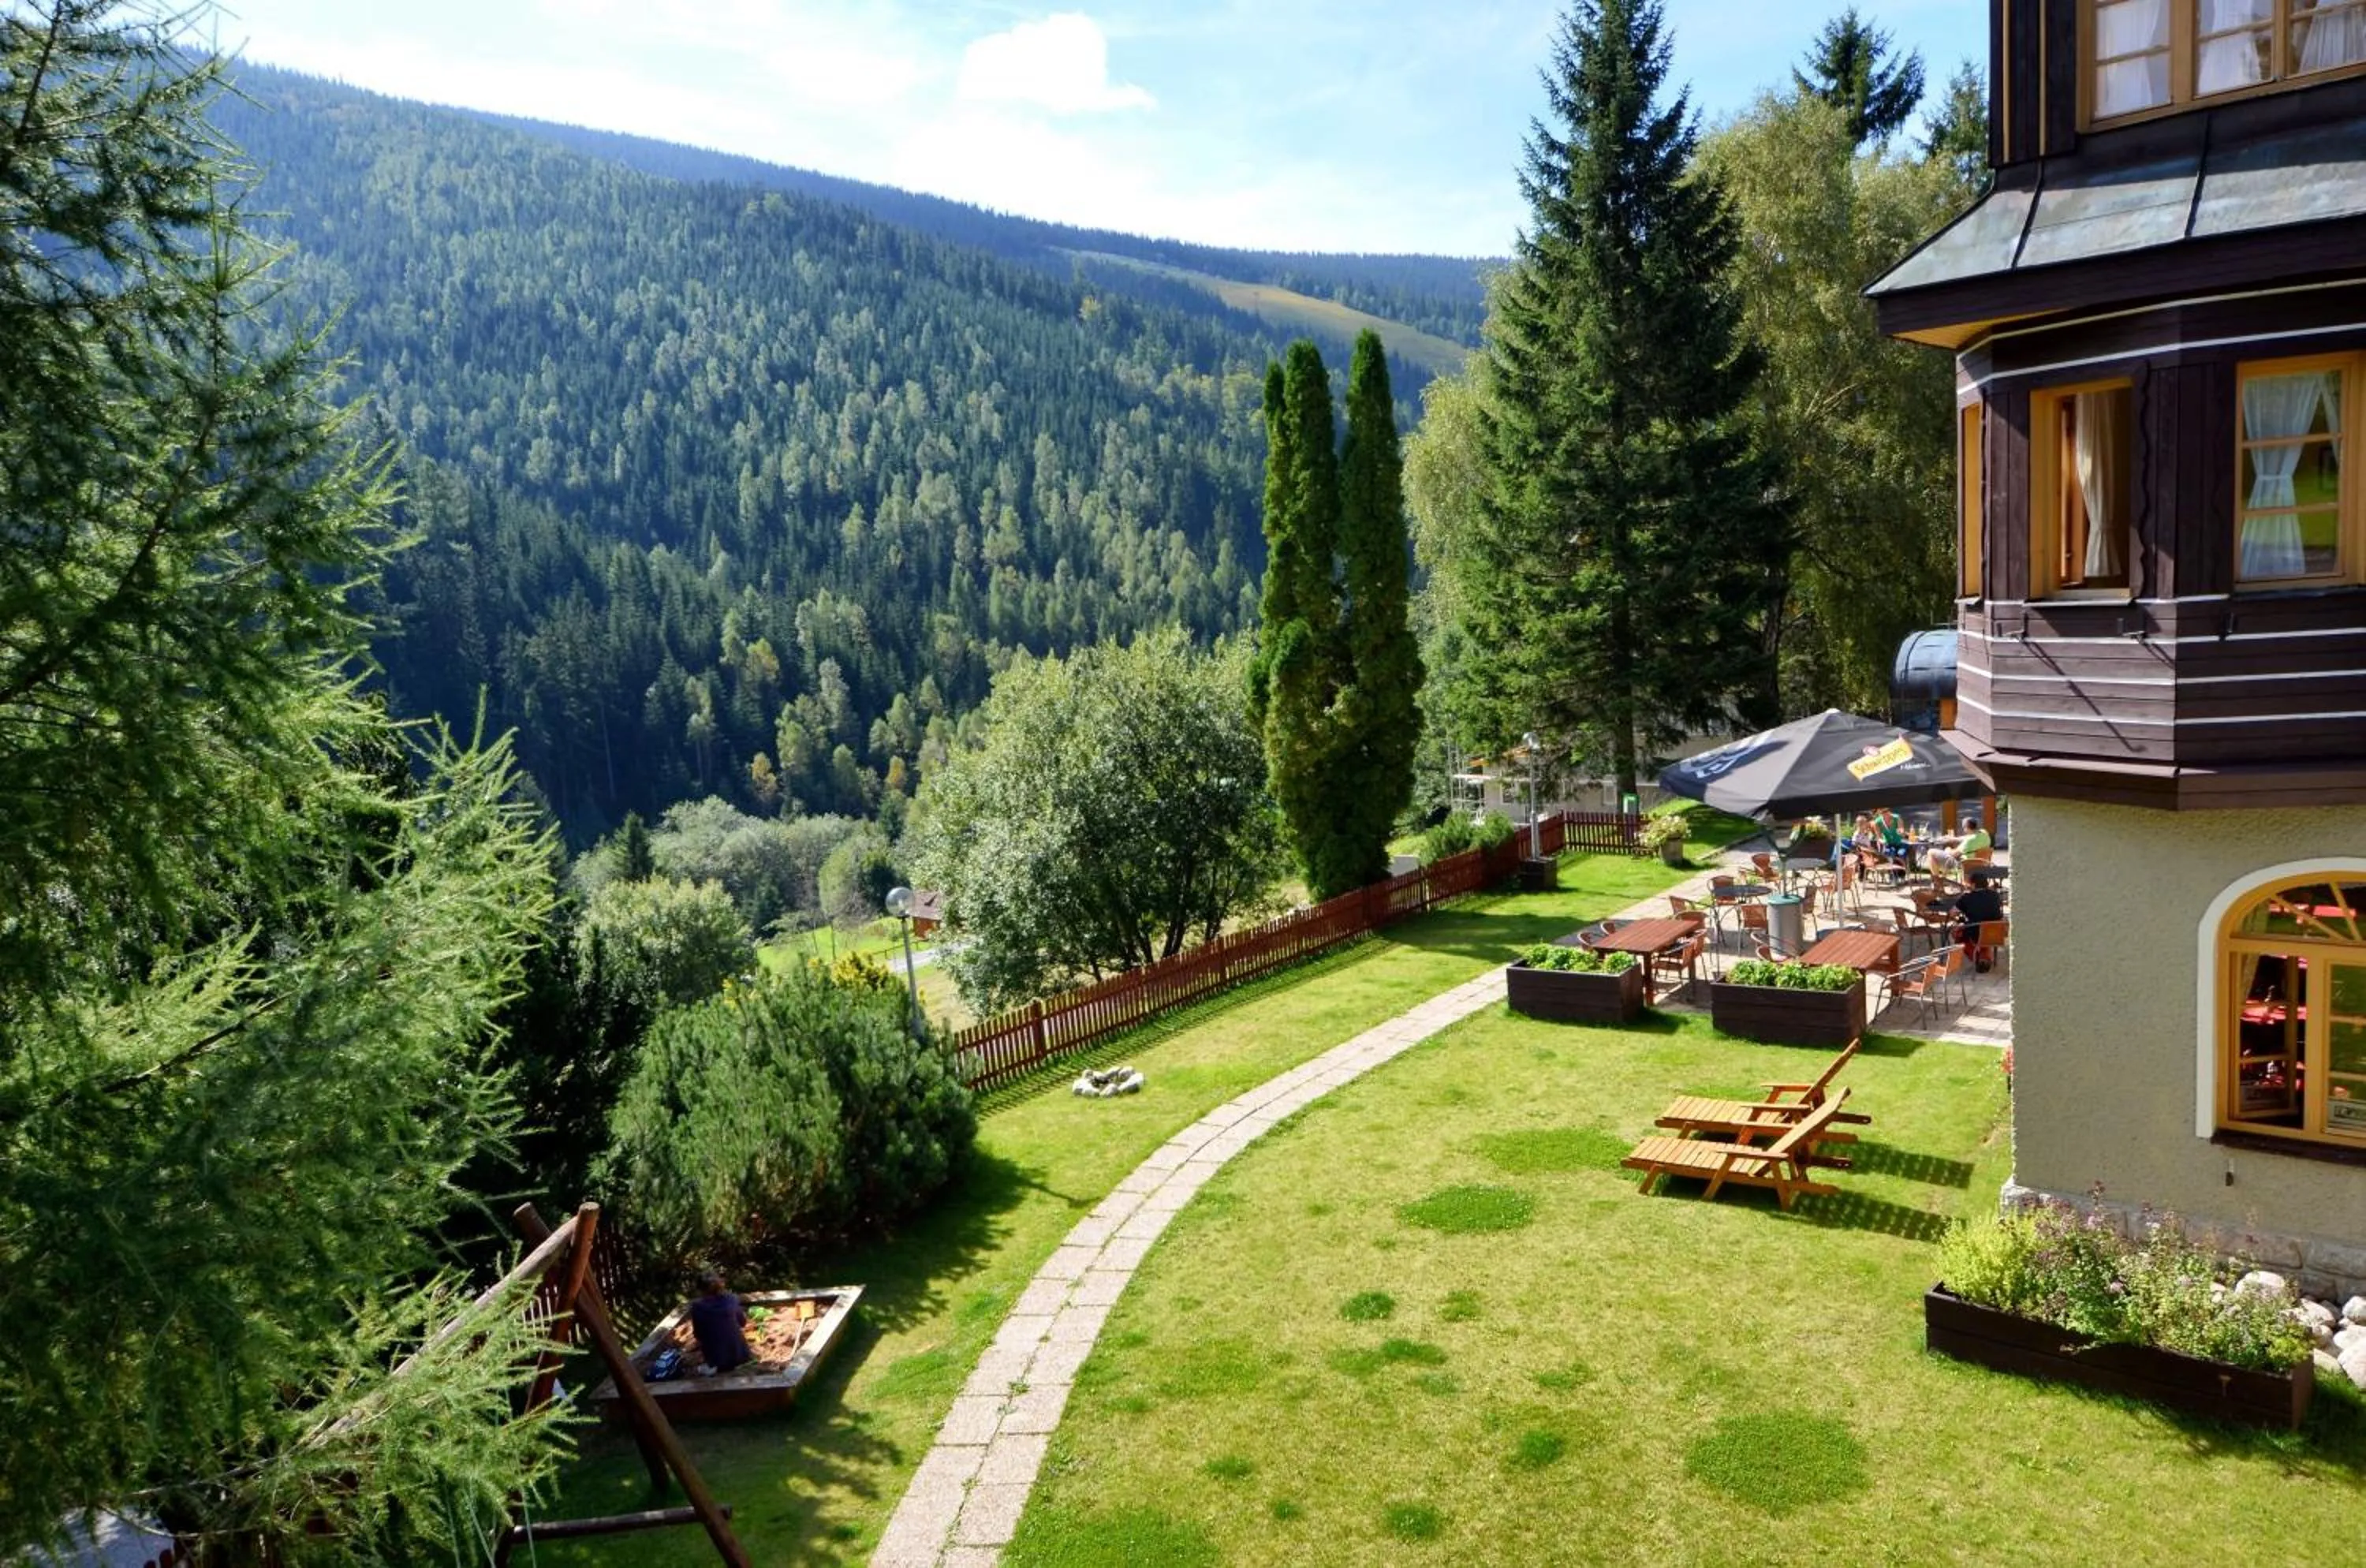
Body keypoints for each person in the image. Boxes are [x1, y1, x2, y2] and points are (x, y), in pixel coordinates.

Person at [687, 1269, 752, 1374]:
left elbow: (698, 1334)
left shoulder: (697, 1307)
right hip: (742, 1355)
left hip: (718, 1363)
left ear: (700, 1290)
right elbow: (743, 1323)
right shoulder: (732, 1299)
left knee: (698, 1369)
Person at [1950, 866, 2006, 972]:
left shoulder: (1967, 898)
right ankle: (1985, 956)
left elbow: (1952, 913)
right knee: (1983, 933)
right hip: (1995, 932)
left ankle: (1977, 958)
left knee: (1957, 933)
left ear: (1973, 884)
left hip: (1975, 932)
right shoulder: (1995, 895)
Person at [1928, 820, 1992, 877]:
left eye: (1964, 827)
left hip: (1964, 864)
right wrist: (1953, 839)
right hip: (1981, 863)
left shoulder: (1969, 841)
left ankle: (1937, 883)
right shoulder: (1984, 834)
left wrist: (1948, 850)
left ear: (1966, 828)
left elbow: (1954, 854)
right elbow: (1967, 837)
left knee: (1931, 852)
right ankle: (1943, 879)